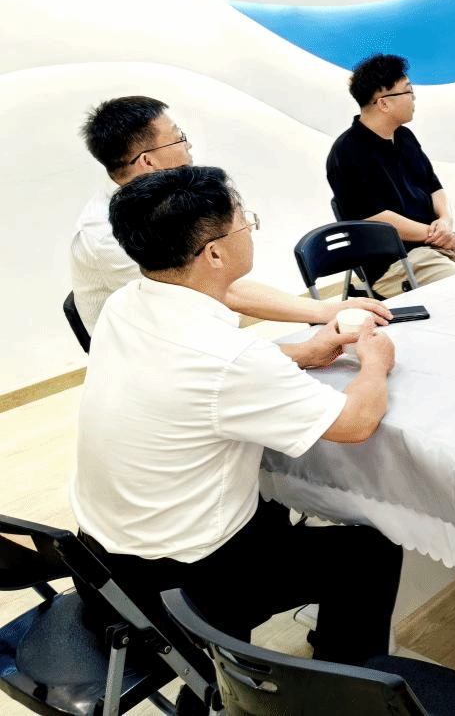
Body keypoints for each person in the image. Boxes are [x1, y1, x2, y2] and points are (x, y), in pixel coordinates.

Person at [71, 165, 403, 699]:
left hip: (102, 567)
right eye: (244, 221)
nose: (249, 228)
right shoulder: (231, 357)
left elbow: (199, 374)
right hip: (185, 582)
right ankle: (340, 698)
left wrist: (301, 353)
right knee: (369, 554)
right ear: (214, 254)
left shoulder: (123, 304)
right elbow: (356, 423)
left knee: (272, 500)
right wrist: (375, 363)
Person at [71, 96, 391, 333]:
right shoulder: (108, 236)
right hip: (155, 351)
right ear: (148, 161)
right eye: (179, 138)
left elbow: (220, 284)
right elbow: (213, 290)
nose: (188, 147)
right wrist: (324, 312)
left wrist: (324, 312)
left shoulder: (159, 203)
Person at [326, 54, 455, 297]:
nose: (413, 98)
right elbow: (377, 221)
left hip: (438, 241)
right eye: (408, 91)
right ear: (384, 103)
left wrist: (445, 221)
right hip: (395, 261)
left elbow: (434, 186)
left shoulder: (404, 137)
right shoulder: (347, 153)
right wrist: (436, 234)